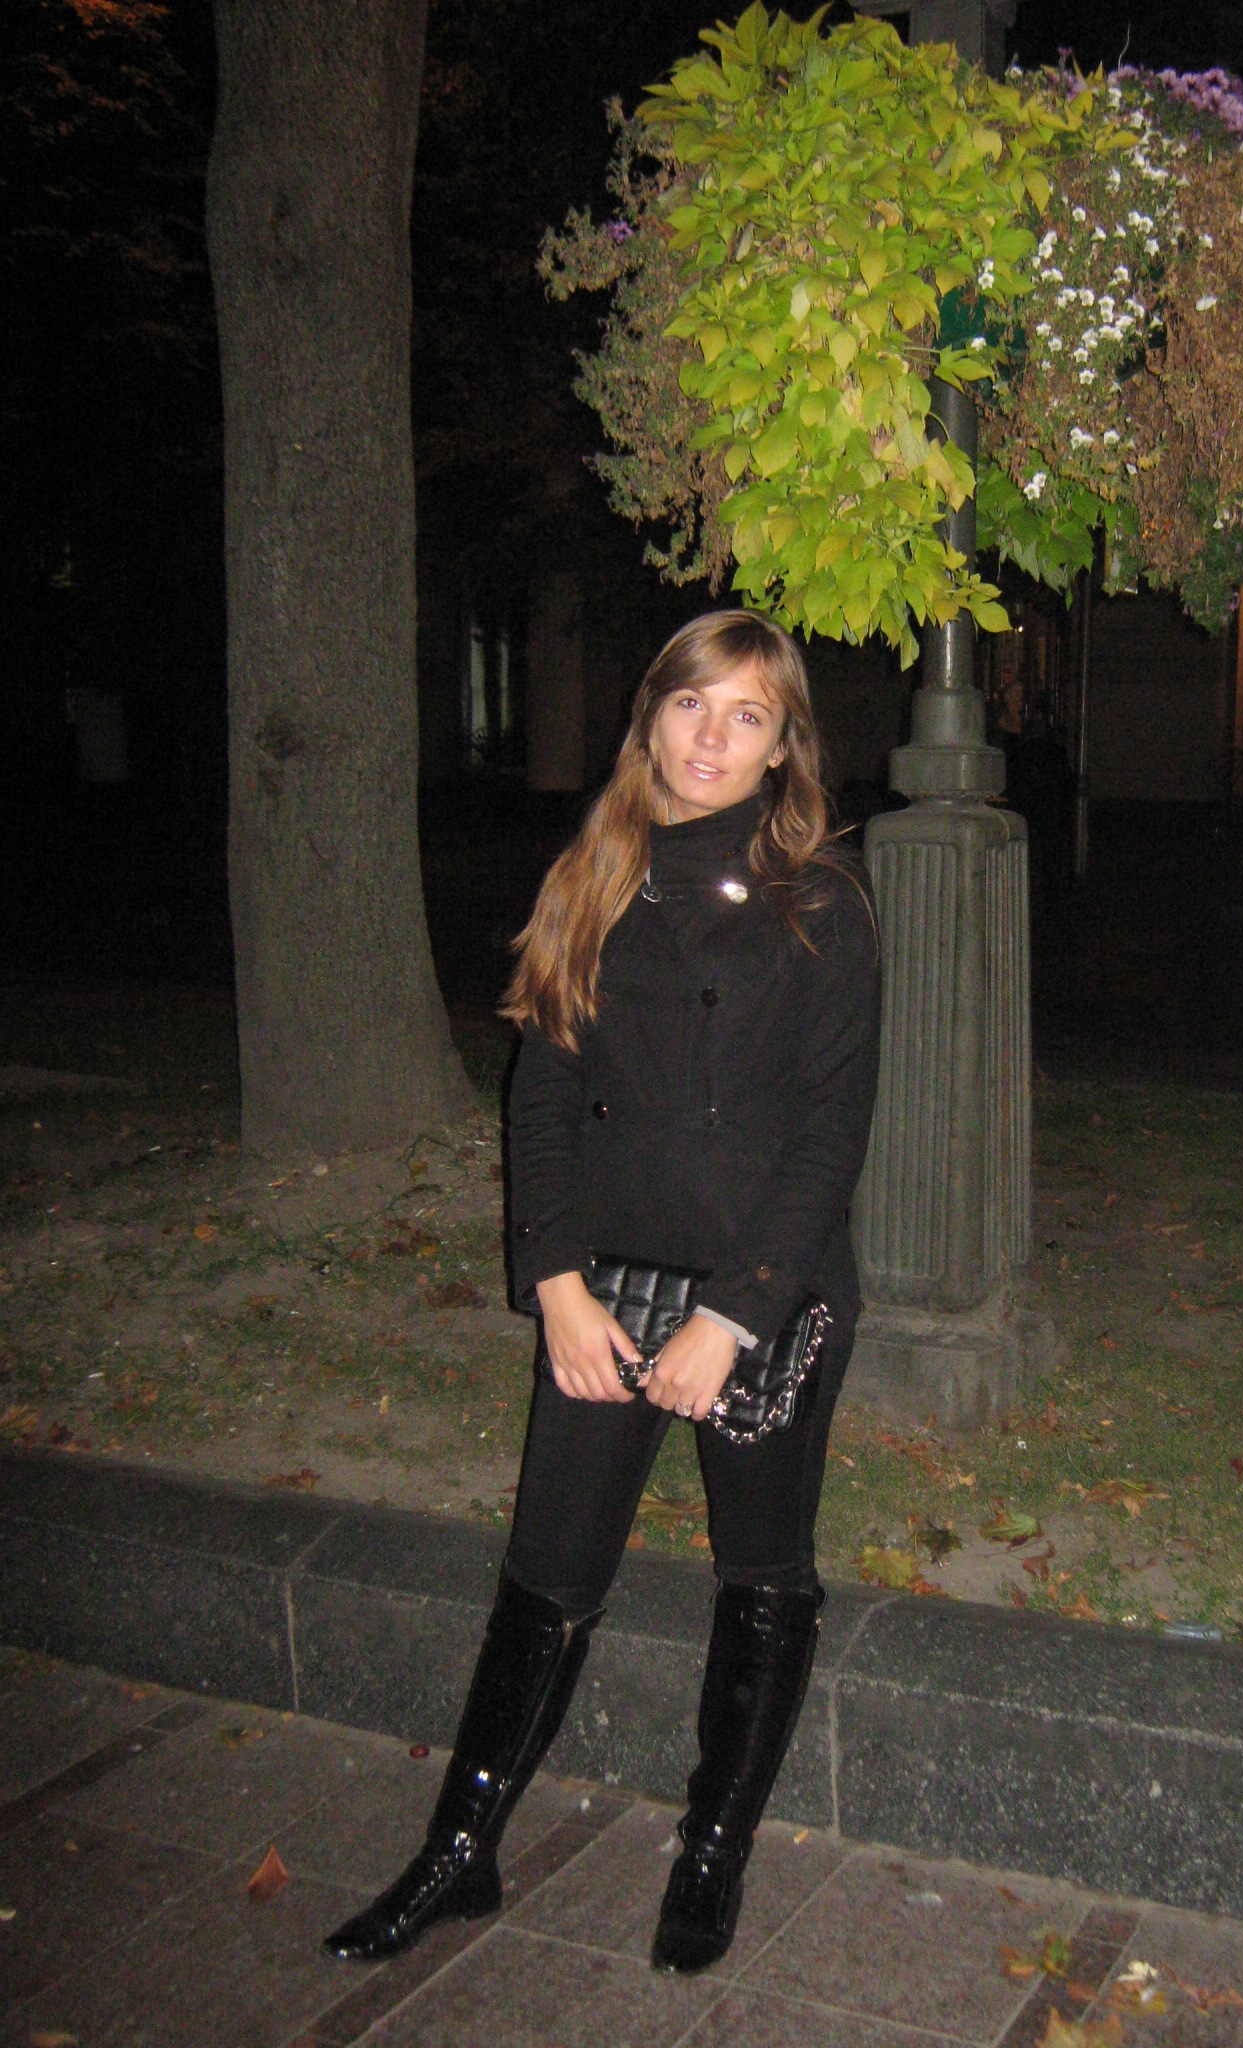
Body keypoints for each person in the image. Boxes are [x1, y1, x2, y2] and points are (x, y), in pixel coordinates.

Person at [324, 609, 881, 1976]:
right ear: (651, 716)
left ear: (782, 747)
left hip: (767, 1292)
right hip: (605, 1284)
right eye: (692, 704)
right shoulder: (595, 875)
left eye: (747, 716)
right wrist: (558, 1285)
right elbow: (543, 1094)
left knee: (762, 1570)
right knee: (548, 1568)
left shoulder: (824, 902)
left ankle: (713, 1849)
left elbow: (832, 1134)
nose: (712, 737)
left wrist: (732, 1318)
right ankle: (461, 1849)